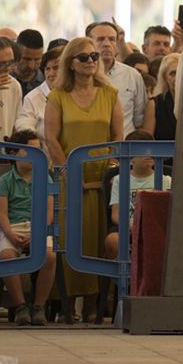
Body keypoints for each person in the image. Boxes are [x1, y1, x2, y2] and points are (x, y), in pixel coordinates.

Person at [45, 35, 122, 320]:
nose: (91, 61)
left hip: (102, 179)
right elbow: (51, 138)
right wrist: (67, 171)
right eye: (84, 57)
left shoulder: (110, 94)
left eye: (94, 57)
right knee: (70, 238)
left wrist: (111, 169)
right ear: (71, 64)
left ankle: (94, 304)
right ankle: (65, 304)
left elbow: (117, 137)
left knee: (97, 241)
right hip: (69, 179)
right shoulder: (57, 97)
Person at [0, 129, 54, 327]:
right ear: (13, 153)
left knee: (50, 256)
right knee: (7, 257)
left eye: (39, 150)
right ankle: (20, 306)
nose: (35, 155)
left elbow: (48, 212)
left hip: (38, 226)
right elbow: (1, 213)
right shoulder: (5, 180)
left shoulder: (44, 177)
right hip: (13, 227)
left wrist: (38, 233)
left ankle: (38, 306)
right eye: (29, 151)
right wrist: (10, 234)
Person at [104, 130, 159, 262]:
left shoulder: (165, 179)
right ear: (130, 157)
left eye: (152, 148)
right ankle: (123, 280)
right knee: (112, 241)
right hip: (126, 227)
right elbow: (115, 214)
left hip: (154, 227)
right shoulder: (119, 179)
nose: (149, 153)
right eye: (143, 150)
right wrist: (130, 226)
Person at [87, 20, 150, 135]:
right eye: (100, 39)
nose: (107, 44)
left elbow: (139, 121)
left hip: (124, 148)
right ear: (88, 44)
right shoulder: (81, 75)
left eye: (112, 39)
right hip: (91, 146)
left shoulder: (133, 75)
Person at [15, 46, 63, 136]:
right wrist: (32, 138)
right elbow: (24, 125)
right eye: (47, 69)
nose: (51, 74)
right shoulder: (32, 98)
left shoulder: (77, 93)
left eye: (56, 68)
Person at [152, 52, 179, 140]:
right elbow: (147, 141)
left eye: (180, 72)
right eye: (172, 73)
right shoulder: (154, 104)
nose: (177, 78)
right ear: (164, 77)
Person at [13, 29, 47, 96]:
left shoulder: (47, 82)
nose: (31, 66)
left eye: (37, 59)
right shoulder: (3, 80)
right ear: (16, 53)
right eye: (26, 59)